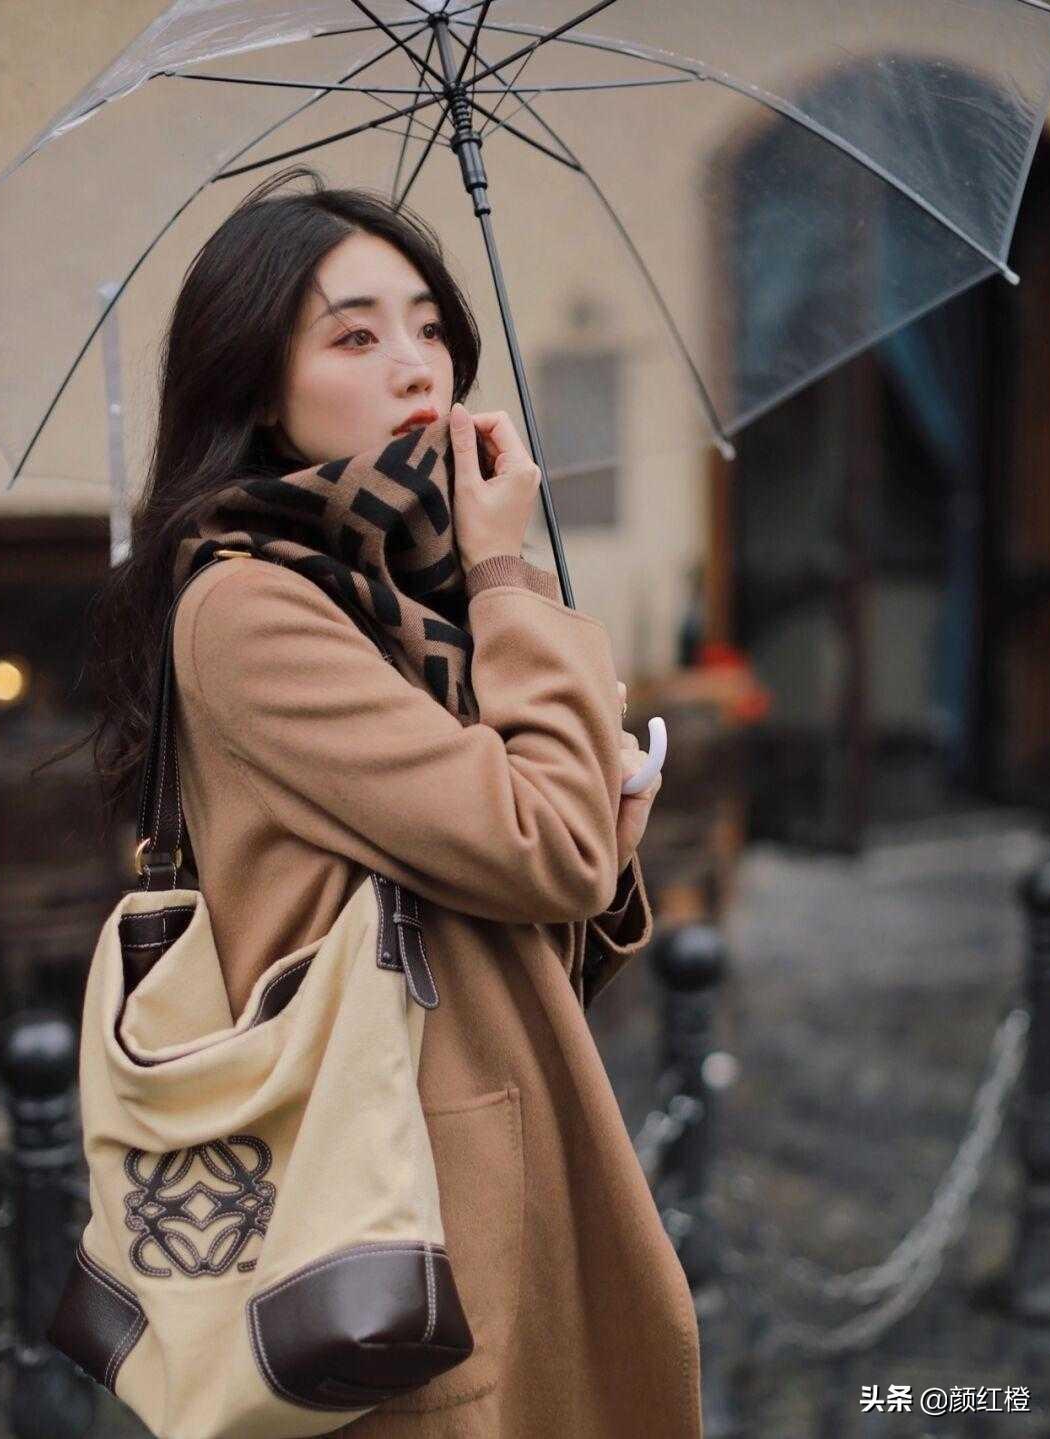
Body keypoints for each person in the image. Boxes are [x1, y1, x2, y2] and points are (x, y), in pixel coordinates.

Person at [82, 164, 700, 1437]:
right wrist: (507, 567)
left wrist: (602, 841)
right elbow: (539, 846)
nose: (415, 366)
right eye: (354, 336)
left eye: (428, 326)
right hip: (397, 1203)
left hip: (487, 1142)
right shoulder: (252, 608)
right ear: (261, 387)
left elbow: (525, 916)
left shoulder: (405, 598)